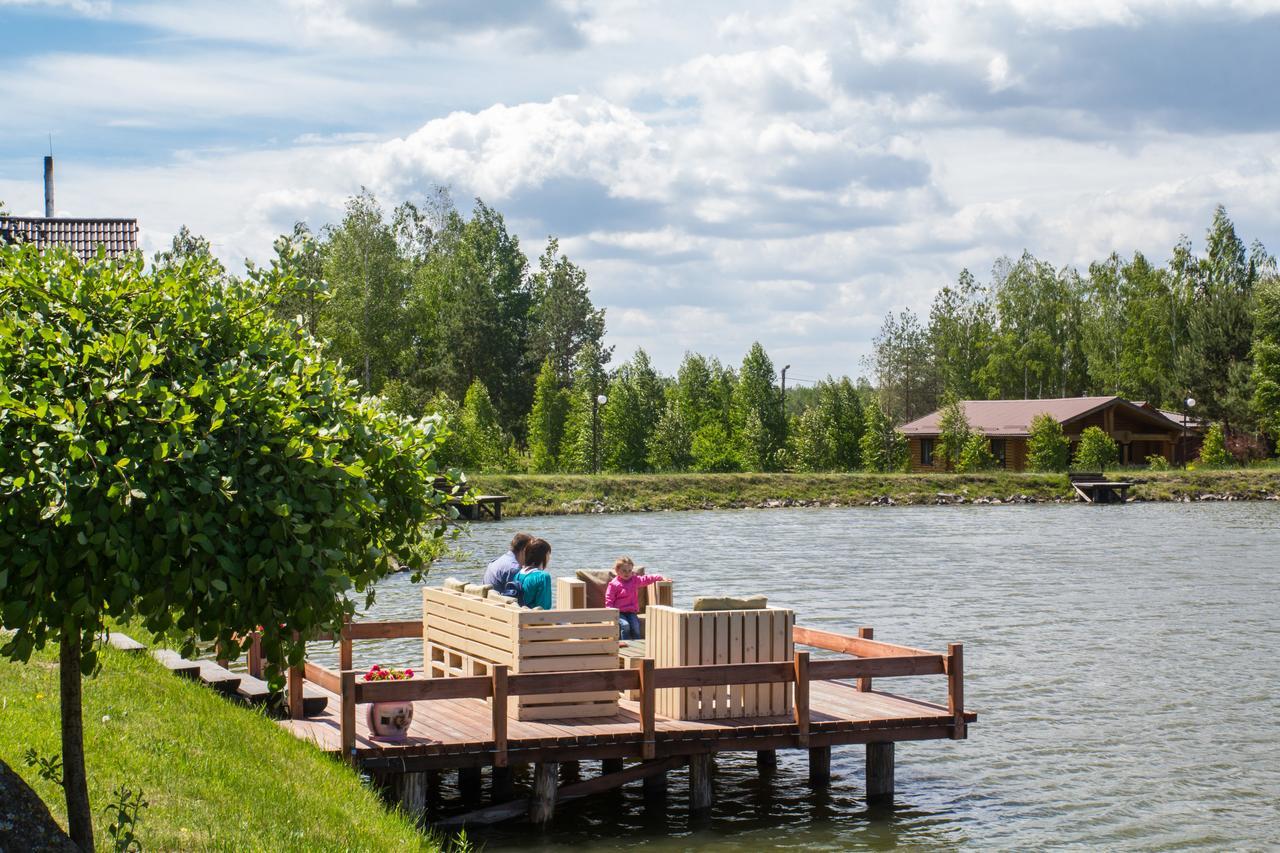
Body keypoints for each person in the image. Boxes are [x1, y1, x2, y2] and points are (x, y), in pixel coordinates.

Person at [605, 557, 667, 640]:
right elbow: (609, 598)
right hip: (618, 612)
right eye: (624, 570)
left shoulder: (634, 580)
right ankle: (626, 642)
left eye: (629, 570)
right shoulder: (613, 584)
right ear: (617, 570)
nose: (627, 573)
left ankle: (637, 642)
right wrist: (610, 611)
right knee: (625, 625)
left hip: (631, 611)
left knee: (635, 625)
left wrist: (660, 577)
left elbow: (647, 579)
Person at [506, 537, 552, 610]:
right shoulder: (543, 576)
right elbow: (544, 607)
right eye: (549, 554)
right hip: (533, 619)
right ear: (544, 556)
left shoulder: (519, 574)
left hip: (519, 615)